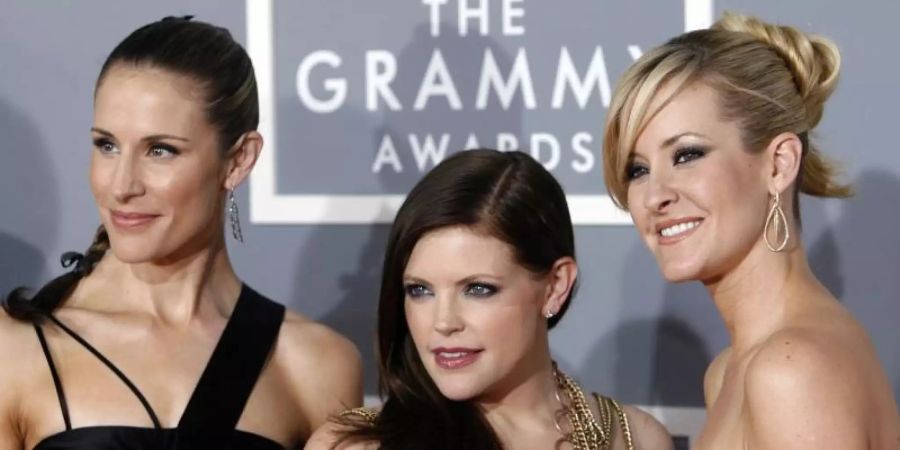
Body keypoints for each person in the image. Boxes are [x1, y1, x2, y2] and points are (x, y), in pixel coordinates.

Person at [0, 16, 361, 449]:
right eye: (107, 145)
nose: (122, 185)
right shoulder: (16, 347)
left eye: (160, 150)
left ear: (239, 160)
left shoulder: (316, 365)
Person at [602, 12, 900, 449]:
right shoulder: (730, 371)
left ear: (778, 164)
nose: (654, 196)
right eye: (638, 169)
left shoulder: (791, 370)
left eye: (687, 155)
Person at [306, 149, 673, 450]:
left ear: (555, 285)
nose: (444, 322)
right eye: (420, 290)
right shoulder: (350, 446)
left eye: (477, 289)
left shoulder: (631, 439)